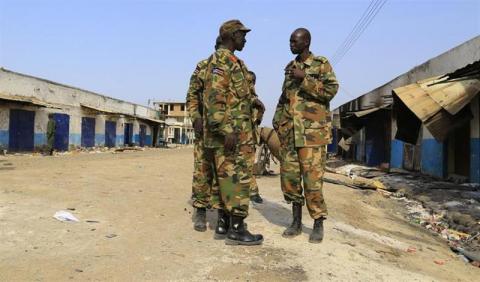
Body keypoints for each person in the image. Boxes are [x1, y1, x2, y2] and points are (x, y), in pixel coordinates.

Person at [272, 28, 339, 243]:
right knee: (290, 180)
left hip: (312, 136)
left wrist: (305, 80)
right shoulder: (290, 68)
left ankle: (318, 223)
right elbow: (284, 98)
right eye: (290, 40)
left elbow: (331, 91)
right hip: (290, 134)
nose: (290, 43)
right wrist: (277, 122)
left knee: (312, 181)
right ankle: (296, 222)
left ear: (306, 42)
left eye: (294, 40)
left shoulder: (321, 64)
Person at [203, 19, 264, 245]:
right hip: (233, 134)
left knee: (227, 181)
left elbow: (236, 98)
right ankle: (237, 230)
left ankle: (226, 225)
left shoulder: (233, 61)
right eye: (242, 34)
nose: (245, 38)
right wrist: (226, 129)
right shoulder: (221, 60)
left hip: (240, 133)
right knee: (238, 180)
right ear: (231, 36)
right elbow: (215, 98)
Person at [186, 36, 222, 232]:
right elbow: (192, 95)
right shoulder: (203, 67)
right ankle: (200, 210)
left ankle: (218, 211)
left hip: (224, 131)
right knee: (202, 170)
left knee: (222, 172)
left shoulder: (233, 67)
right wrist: (196, 117)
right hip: (204, 130)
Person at [246, 70, 265, 204]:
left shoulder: (256, 101)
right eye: (248, 82)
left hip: (249, 138)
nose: (250, 84)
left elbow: (257, 121)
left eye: (252, 82)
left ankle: (253, 192)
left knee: (248, 165)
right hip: (235, 136)